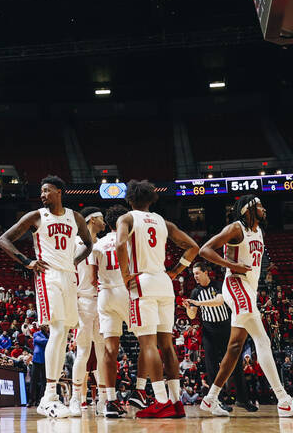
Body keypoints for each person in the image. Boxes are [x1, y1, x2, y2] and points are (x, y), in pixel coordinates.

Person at [198, 195, 293, 418]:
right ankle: (284, 401)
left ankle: (210, 399)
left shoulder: (259, 230)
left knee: (234, 349)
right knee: (262, 340)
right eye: (259, 206)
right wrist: (232, 265)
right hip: (235, 284)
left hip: (248, 289)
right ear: (247, 209)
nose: (263, 209)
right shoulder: (236, 228)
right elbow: (205, 250)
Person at [0, 175, 94, 418]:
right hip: (47, 276)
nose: (42, 195)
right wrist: (27, 261)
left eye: (47, 190)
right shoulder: (37, 216)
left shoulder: (76, 217)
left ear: (59, 192)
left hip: (68, 276)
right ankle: (48, 397)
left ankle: (53, 395)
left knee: (64, 335)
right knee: (58, 331)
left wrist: (73, 261)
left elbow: (88, 244)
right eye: (41, 191)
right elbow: (3, 239)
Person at [115, 179, 200, 419]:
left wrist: (124, 275)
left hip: (142, 283)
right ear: (151, 199)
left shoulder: (127, 219)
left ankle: (161, 401)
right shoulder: (164, 222)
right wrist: (175, 270)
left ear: (129, 199)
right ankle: (176, 401)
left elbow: (121, 243)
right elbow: (193, 246)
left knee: (148, 345)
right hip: (164, 282)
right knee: (167, 345)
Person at [184, 262, 254, 412]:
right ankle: (218, 401)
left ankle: (243, 400)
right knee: (212, 368)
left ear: (205, 272)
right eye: (193, 274)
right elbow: (192, 315)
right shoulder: (195, 292)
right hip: (209, 332)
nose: (195, 276)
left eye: (197, 273)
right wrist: (188, 308)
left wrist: (198, 303)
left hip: (225, 329)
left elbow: (219, 301)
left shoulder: (218, 285)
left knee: (234, 364)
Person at [91, 205, 132, 417]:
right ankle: (147, 393)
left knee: (109, 350)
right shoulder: (129, 240)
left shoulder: (98, 243)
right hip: (125, 290)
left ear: (107, 223)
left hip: (105, 295)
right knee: (147, 341)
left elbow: (91, 278)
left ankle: (110, 401)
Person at [70, 207, 108, 416]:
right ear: (93, 220)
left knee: (102, 352)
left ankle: (103, 400)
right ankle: (76, 398)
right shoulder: (74, 243)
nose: (105, 222)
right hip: (82, 301)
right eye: (102, 218)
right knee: (82, 352)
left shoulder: (102, 244)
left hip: (101, 301)